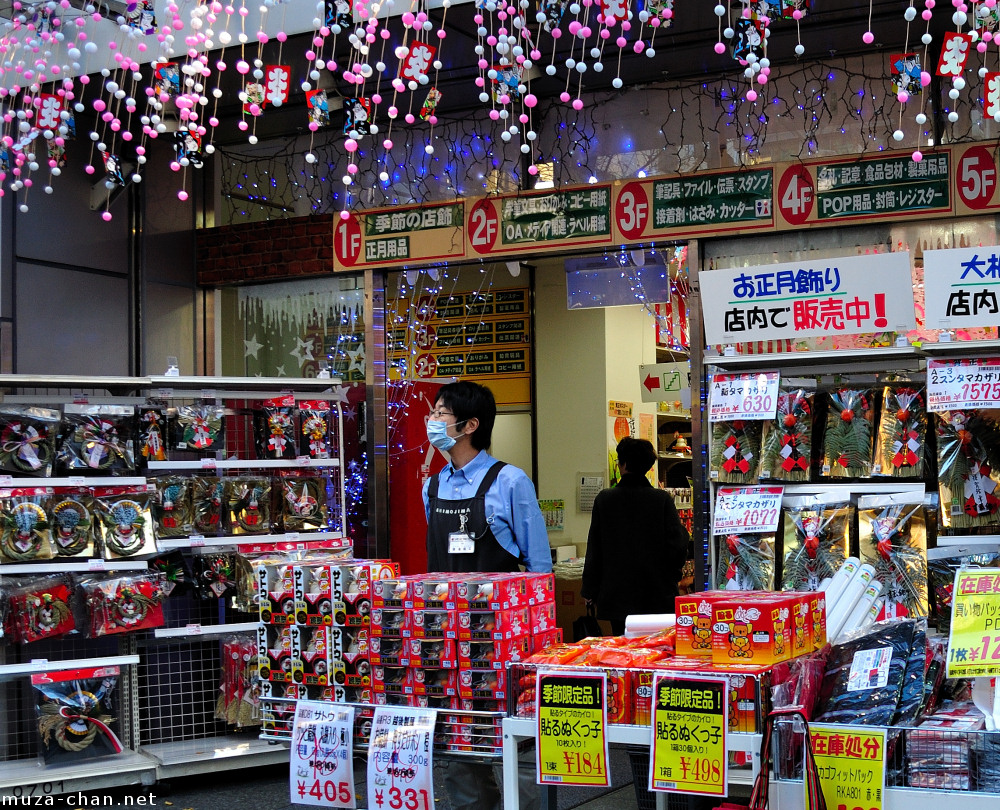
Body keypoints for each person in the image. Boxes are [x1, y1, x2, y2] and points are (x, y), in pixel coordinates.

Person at [422, 380, 550, 810]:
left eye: (440, 413)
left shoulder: (510, 481)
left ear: (469, 424)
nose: (432, 421)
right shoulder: (432, 485)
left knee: (517, 742)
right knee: (455, 737)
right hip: (447, 635)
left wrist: (540, 640)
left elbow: (539, 567)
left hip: (504, 637)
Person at [582, 437, 690, 636]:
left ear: (622, 464)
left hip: (617, 594)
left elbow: (594, 549)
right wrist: (672, 576)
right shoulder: (661, 500)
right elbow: (678, 544)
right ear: (648, 466)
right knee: (658, 648)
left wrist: (589, 590)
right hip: (657, 593)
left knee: (623, 650)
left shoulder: (605, 500)